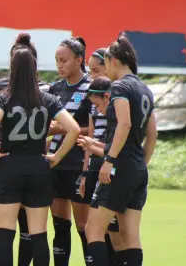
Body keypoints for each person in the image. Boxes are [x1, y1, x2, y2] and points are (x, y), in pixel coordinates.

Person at [0, 41, 80, 266]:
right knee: (39, 235)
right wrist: (57, 156)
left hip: (8, 166)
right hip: (39, 167)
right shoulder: (48, 99)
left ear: (12, 68)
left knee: (6, 236)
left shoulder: (2, 97)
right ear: (35, 68)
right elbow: (74, 129)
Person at [0, 33, 51, 266]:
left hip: (7, 164)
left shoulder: (36, 91)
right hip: (31, 164)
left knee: (11, 230)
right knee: (30, 230)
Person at [85, 35, 157, 266]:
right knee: (131, 236)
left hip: (120, 165)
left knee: (93, 229)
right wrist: (141, 165)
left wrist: (110, 160)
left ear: (113, 61)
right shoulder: (145, 89)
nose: (105, 71)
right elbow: (152, 134)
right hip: (137, 168)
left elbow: (124, 124)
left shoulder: (120, 86)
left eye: (105, 64)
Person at [47, 36, 93, 265]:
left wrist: (67, 130)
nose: (59, 65)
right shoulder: (55, 88)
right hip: (56, 163)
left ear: (79, 59)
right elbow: (49, 127)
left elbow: (94, 130)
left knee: (83, 227)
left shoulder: (91, 87)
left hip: (78, 164)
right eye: (57, 61)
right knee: (59, 225)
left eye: (64, 60)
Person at [77, 77, 124, 264]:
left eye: (98, 104)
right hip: (105, 169)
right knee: (115, 232)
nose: (97, 109)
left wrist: (92, 145)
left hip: (112, 171)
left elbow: (112, 152)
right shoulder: (118, 115)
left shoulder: (119, 119)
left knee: (103, 231)